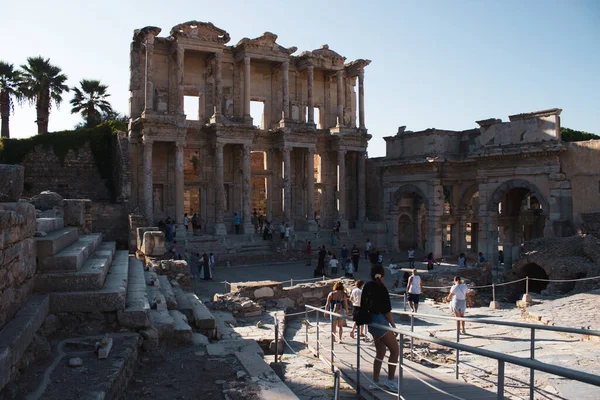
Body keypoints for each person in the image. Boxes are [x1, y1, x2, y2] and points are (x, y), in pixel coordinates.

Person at [359, 265, 399, 392]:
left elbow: (363, 304)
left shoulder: (367, 286)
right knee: (395, 350)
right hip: (380, 320)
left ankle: (375, 381)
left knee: (380, 352)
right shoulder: (382, 287)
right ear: (382, 274)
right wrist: (393, 325)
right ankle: (390, 381)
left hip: (370, 321)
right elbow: (386, 310)